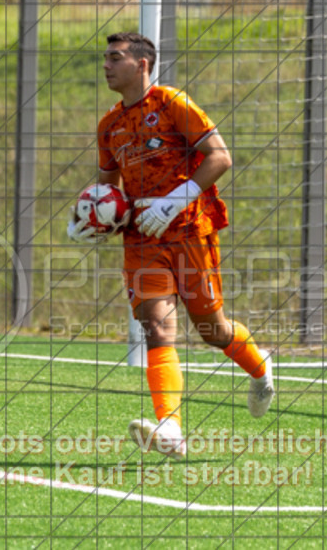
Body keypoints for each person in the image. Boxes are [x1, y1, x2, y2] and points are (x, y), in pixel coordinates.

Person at [67, 32, 275, 458]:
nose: (105, 65)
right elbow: (110, 191)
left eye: (115, 58)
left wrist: (173, 201)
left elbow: (220, 156)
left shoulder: (172, 103)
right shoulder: (109, 125)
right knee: (158, 331)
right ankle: (171, 430)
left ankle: (260, 367)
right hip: (142, 240)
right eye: (104, 58)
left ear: (142, 64)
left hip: (190, 232)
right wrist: (89, 220)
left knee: (212, 331)